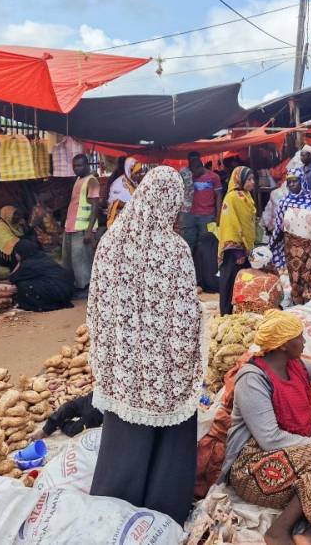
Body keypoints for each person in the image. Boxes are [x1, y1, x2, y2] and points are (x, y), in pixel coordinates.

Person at [87, 166, 205, 526]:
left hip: (125, 366)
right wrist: (189, 351)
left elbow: (96, 305)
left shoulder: (111, 242)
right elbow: (185, 312)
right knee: (171, 439)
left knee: (124, 437)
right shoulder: (174, 249)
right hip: (164, 368)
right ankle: (163, 512)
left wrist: (111, 352)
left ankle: (113, 510)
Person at [222, 310, 311, 545]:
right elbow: (269, 439)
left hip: (293, 450)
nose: (303, 342)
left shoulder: (295, 364)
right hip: (252, 463)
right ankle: (278, 531)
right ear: (282, 345)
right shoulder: (252, 379)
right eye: (299, 338)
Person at [270, 169, 311, 305]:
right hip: (294, 252)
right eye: (289, 182)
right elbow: (278, 228)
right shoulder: (284, 203)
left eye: (295, 181)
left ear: (302, 181)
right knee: (297, 280)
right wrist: (270, 247)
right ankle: (301, 308)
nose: (292, 184)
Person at [218, 166, 257, 316]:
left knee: (243, 280)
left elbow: (248, 223)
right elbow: (230, 224)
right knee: (229, 281)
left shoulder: (246, 195)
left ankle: (240, 312)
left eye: (253, 179)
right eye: (249, 180)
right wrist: (237, 251)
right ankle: (226, 313)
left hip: (245, 247)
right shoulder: (233, 198)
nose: (252, 182)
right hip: (234, 250)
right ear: (239, 180)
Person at [63, 154, 102, 294]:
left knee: (82, 263)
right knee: (70, 262)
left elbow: (95, 207)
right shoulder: (79, 180)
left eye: (79, 165)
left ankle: (85, 290)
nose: (76, 168)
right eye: (74, 166)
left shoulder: (92, 182)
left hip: (82, 230)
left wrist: (89, 231)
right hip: (71, 227)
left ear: (87, 165)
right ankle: (77, 286)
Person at [8, 239, 74, 312]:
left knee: (22, 285)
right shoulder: (42, 257)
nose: (16, 256)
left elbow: (12, 278)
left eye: (16, 253)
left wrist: (20, 262)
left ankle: (40, 305)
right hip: (66, 293)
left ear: (21, 253)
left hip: (57, 293)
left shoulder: (28, 264)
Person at [181, 152, 223, 255]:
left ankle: (205, 265)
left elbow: (218, 197)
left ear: (199, 167)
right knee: (188, 241)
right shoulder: (188, 176)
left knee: (205, 242)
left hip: (207, 216)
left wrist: (218, 216)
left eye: (194, 171)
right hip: (190, 215)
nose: (193, 174)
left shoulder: (214, 177)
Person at [232, 246, 283, 315]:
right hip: (261, 315)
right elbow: (280, 298)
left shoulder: (241, 272)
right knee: (279, 309)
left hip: (239, 311)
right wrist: (276, 274)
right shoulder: (272, 278)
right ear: (268, 263)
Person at [34, 392, 103, 440]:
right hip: (94, 397)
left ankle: (62, 424)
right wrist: (46, 429)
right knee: (66, 408)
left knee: (74, 430)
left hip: (100, 412)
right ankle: (46, 430)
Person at [106, 157, 144, 227]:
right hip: (119, 222)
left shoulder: (134, 183)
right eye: (136, 173)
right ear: (129, 170)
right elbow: (114, 203)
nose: (139, 175)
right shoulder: (118, 184)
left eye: (140, 172)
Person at [29, 191, 63, 260]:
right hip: (49, 242)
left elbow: (31, 224)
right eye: (52, 201)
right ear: (46, 201)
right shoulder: (43, 212)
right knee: (57, 258)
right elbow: (52, 230)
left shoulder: (36, 208)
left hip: (41, 238)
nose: (54, 203)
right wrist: (62, 232)